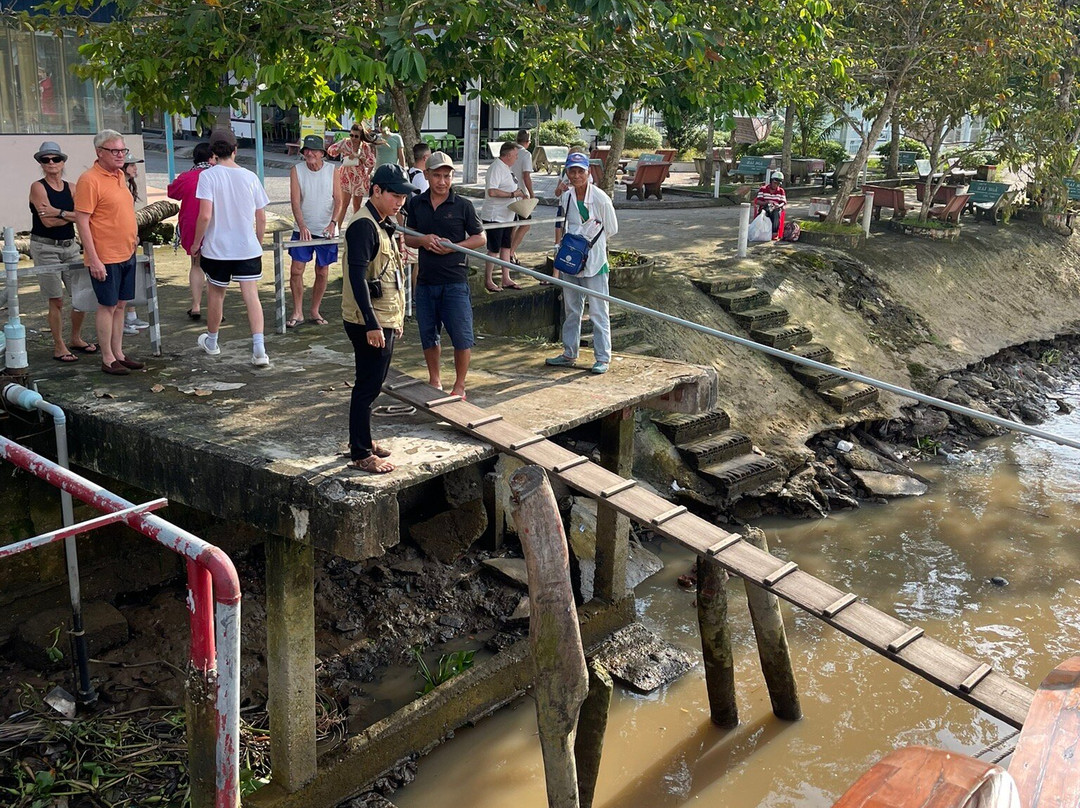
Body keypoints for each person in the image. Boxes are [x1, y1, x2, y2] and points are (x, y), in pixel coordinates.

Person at [342, 164, 415, 473]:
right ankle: (360, 452)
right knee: (368, 386)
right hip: (367, 320)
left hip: (382, 317)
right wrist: (372, 324)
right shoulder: (364, 225)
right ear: (376, 191)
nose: (400, 202)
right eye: (395, 195)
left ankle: (364, 439)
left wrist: (393, 319)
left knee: (372, 383)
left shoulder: (382, 223)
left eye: (403, 196)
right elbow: (357, 278)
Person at [403, 151, 486, 398]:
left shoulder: (463, 205)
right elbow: (407, 237)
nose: (442, 181)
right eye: (437, 175)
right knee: (428, 334)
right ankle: (434, 380)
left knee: (462, 336)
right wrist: (423, 240)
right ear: (426, 175)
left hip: (455, 281)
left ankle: (459, 386)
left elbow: (481, 238)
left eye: (447, 176)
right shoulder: (416, 203)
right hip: (426, 280)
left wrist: (455, 245)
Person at [191, 127, 272, 367]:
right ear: (235, 150)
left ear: (213, 153)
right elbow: (262, 217)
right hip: (247, 246)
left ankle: (213, 342)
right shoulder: (250, 176)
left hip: (218, 249)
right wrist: (257, 241)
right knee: (251, 295)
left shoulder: (208, 177)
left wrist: (196, 243)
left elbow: (205, 216)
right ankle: (259, 349)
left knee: (216, 294)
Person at [74, 129, 144, 376]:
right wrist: (93, 258)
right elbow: (82, 221)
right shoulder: (89, 179)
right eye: (114, 151)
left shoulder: (120, 176)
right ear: (99, 152)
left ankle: (119, 354)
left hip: (127, 251)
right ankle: (107, 357)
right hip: (105, 255)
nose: (120, 155)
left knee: (122, 304)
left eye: (122, 150)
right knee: (107, 305)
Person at [546, 151, 618, 375]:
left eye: (580, 171)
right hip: (571, 261)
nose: (576, 175)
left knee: (598, 311)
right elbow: (563, 223)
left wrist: (588, 243)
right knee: (571, 310)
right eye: (572, 171)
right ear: (567, 173)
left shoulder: (600, 198)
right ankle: (569, 353)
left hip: (595, 262)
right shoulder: (566, 196)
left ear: (588, 172)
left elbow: (612, 229)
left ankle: (603, 357)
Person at [28, 140, 97, 362]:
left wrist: (57, 212)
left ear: (62, 161)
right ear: (41, 163)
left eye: (55, 158)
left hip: (70, 245)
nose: (51, 163)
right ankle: (59, 345)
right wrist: (69, 215)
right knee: (56, 299)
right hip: (45, 246)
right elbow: (47, 223)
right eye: (45, 159)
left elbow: (84, 216)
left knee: (81, 296)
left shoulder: (73, 187)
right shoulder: (37, 187)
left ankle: (76, 338)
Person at [286, 134, 341, 327]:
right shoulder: (297, 170)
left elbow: (339, 200)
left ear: (322, 153)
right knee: (296, 270)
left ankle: (315, 310)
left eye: (313, 151)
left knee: (323, 271)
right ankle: (297, 311)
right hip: (303, 227)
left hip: (326, 227)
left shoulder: (332, 170)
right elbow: (295, 201)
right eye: (306, 150)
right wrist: (302, 226)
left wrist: (333, 222)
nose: (309, 154)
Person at [167, 142, 215, 320]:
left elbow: (172, 193)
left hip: (190, 225)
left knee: (196, 265)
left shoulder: (187, 177)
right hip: (214, 226)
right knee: (214, 269)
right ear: (212, 157)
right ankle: (215, 308)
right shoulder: (217, 176)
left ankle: (195, 306)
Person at [481, 141, 526, 292]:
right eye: (515, 155)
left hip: (508, 214)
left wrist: (518, 194)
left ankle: (506, 277)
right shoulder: (496, 168)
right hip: (495, 215)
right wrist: (512, 194)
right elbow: (492, 191)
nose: (516, 158)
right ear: (507, 155)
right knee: (494, 249)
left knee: (506, 246)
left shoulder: (507, 168)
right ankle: (488, 279)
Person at [121, 154, 150, 335]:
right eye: (131, 165)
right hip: (118, 241)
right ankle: (124, 320)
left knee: (130, 279)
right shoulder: (117, 185)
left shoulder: (127, 185)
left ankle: (131, 316)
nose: (135, 169)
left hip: (129, 238)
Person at [327, 121, 380, 215]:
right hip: (345, 176)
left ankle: (355, 227)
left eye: (356, 136)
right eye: (351, 135)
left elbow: (371, 163)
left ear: (361, 137)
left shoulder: (365, 147)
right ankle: (337, 228)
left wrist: (360, 157)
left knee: (356, 205)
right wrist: (339, 150)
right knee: (344, 204)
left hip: (359, 178)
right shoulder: (345, 142)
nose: (353, 138)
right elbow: (330, 150)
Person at [508, 128, 535, 263]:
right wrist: (531, 193)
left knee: (512, 224)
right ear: (528, 142)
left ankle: (509, 251)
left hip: (508, 192)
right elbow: (526, 176)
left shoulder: (510, 151)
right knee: (526, 224)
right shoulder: (525, 154)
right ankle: (511, 252)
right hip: (521, 193)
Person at [757, 171, 787, 236]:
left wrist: (779, 206)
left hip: (775, 209)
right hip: (765, 209)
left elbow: (783, 202)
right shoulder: (763, 189)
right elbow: (758, 201)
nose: (776, 185)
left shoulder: (781, 191)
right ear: (771, 181)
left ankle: (774, 232)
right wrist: (766, 202)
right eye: (775, 183)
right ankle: (762, 230)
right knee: (767, 208)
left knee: (776, 211)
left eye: (778, 184)